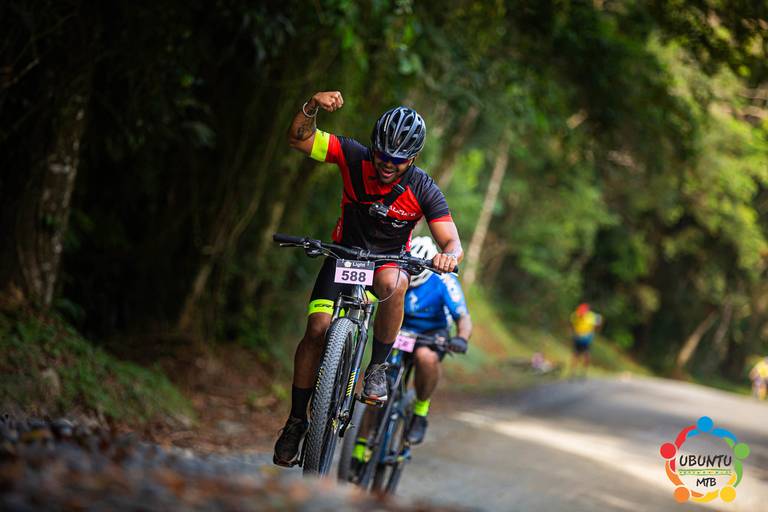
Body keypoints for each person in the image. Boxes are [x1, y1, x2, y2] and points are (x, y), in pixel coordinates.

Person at [273, 91, 464, 467]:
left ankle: (377, 368)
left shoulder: (423, 188)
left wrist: (449, 257)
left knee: (396, 283)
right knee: (317, 329)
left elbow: (452, 241)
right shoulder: (352, 155)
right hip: (342, 255)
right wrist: (312, 106)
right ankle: (296, 421)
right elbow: (299, 138)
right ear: (373, 147)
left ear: (413, 158)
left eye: (399, 160)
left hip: (385, 263)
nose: (388, 165)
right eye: (382, 156)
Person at [569, 302, 602, 377]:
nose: (581, 314)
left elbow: (599, 321)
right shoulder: (575, 315)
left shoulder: (591, 316)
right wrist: (573, 331)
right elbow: (571, 323)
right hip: (577, 337)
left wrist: (595, 331)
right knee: (575, 354)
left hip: (587, 339)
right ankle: (573, 372)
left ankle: (583, 372)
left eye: (583, 313)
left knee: (586, 355)